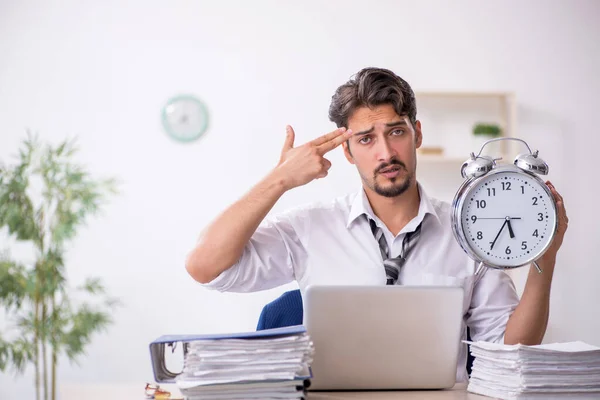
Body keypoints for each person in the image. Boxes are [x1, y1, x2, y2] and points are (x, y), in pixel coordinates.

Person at [185, 67, 569, 382]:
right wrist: (280, 179)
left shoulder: (469, 231)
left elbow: (511, 352)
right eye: (366, 139)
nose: (385, 153)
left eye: (396, 132)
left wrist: (545, 258)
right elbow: (205, 266)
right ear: (348, 152)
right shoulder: (309, 228)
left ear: (417, 134)